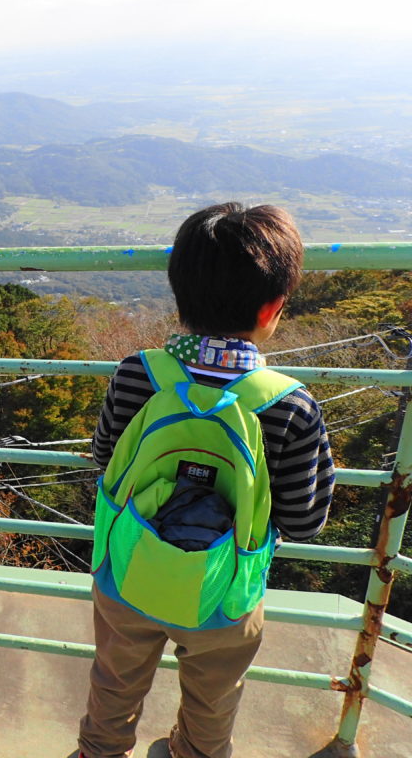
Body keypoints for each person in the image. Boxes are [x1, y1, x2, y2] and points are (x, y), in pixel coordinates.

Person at [76, 203, 335, 758]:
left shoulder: (135, 374)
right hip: (225, 595)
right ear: (273, 308)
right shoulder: (291, 406)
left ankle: (100, 751)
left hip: (127, 572)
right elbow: (305, 521)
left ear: (180, 297)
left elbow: (105, 458)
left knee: (114, 682)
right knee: (214, 701)